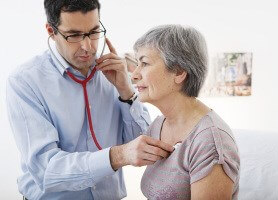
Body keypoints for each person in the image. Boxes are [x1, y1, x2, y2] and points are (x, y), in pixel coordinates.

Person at [6, 1, 174, 199]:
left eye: (94, 32)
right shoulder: (25, 81)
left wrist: (126, 91)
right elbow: (47, 170)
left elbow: (141, 143)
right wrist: (117, 156)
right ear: (51, 31)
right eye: (74, 35)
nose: (87, 46)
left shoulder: (114, 73)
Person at [131, 25, 240, 199]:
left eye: (144, 63)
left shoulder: (210, 142)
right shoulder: (159, 125)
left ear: (179, 72)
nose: (134, 75)